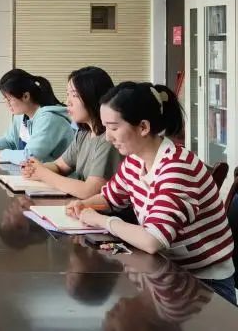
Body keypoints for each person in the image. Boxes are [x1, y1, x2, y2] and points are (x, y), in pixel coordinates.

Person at [66, 82, 236, 304]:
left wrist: (101, 220)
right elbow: (109, 198)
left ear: (143, 127)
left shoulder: (177, 168)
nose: (107, 137)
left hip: (204, 285)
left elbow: (152, 239)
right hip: (169, 273)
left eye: (114, 128)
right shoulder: (135, 160)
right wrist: (86, 204)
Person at [21, 66, 122, 198]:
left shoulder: (108, 139)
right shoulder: (83, 133)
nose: (68, 101)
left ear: (93, 97)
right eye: (68, 94)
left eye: (74, 95)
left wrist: (43, 174)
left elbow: (90, 191)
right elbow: (60, 166)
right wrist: (36, 168)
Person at [0, 69, 74, 164]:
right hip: (34, 173)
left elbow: (30, 156)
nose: (7, 104)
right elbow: (9, 141)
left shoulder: (49, 119)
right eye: (5, 99)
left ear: (26, 96)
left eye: (9, 99)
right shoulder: (21, 116)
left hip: (57, 176)